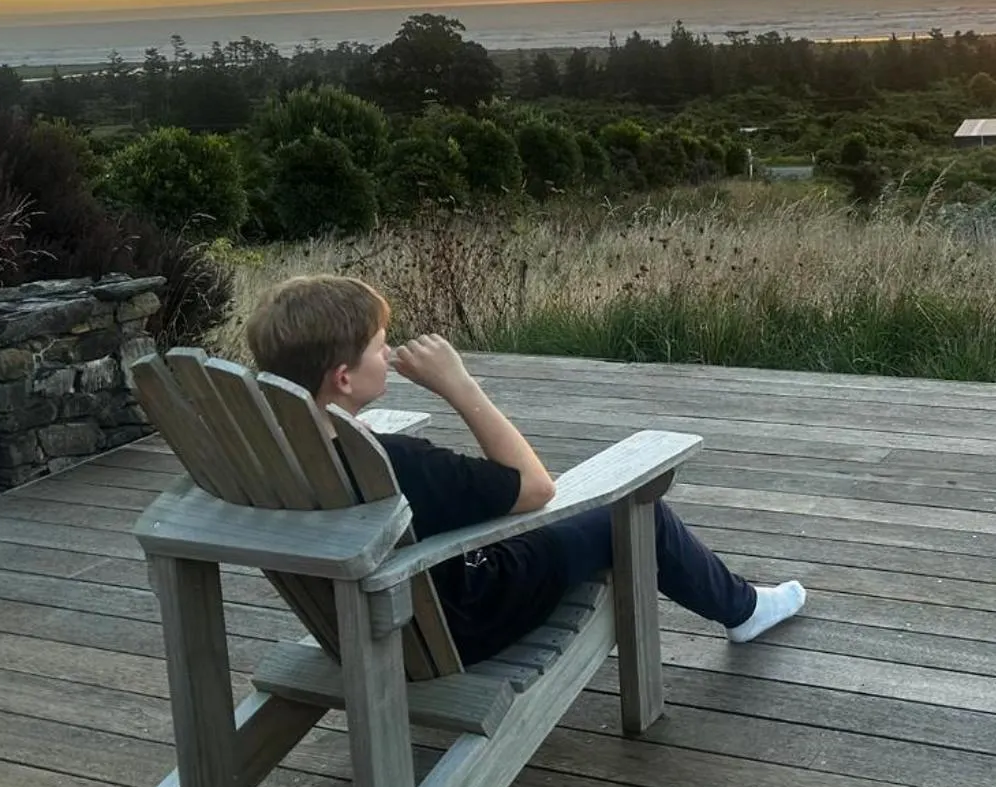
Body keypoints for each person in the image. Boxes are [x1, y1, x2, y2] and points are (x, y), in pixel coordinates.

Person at [243, 274, 806, 664]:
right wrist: (459, 386)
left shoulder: (275, 450)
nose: (388, 356)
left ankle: (741, 603)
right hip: (461, 618)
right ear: (344, 378)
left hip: (360, 619)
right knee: (634, 512)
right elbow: (536, 487)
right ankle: (744, 609)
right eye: (379, 347)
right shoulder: (400, 463)